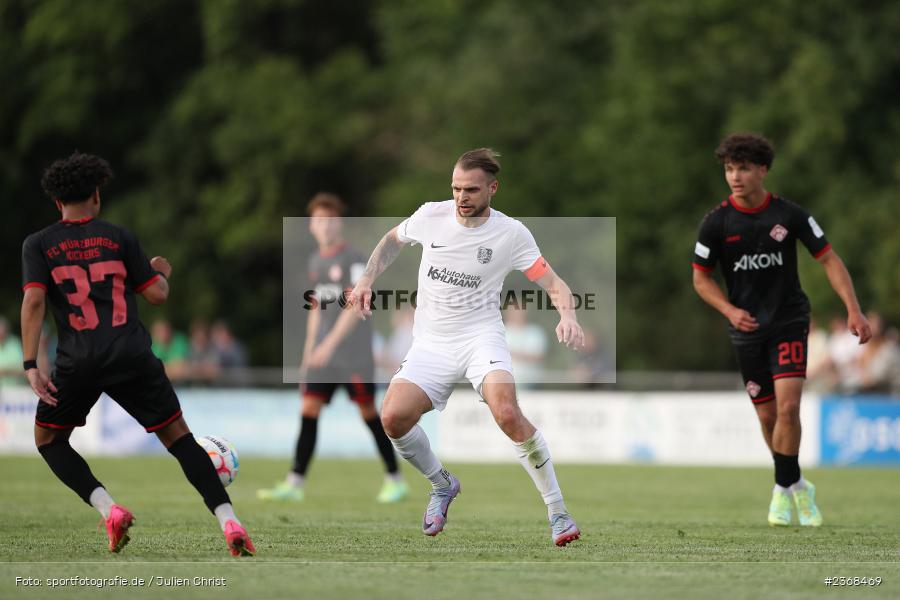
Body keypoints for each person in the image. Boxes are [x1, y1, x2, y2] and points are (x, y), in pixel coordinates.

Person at [20, 152, 254, 556]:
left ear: (57, 202)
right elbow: (157, 295)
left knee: (48, 440)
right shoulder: (117, 237)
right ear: (96, 196)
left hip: (79, 360)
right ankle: (230, 521)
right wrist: (159, 270)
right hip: (131, 354)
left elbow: (34, 305)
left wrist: (29, 364)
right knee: (180, 440)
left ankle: (108, 509)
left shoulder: (38, 244)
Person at [348, 149, 583, 546]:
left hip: (480, 339)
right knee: (392, 419)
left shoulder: (512, 234)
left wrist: (569, 316)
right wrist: (367, 281)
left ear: (493, 188)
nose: (461, 197)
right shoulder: (430, 216)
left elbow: (554, 284)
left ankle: (558, 513)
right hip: (431, 345)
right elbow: (391, 241)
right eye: (456, 188)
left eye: (471, 189)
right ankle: (442, 485)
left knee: (507, 412)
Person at [692, 133, 871, 527]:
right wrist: (728, 309)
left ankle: (779, 491)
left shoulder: (790, 215)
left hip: (789, 322)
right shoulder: (717, 223)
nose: (735, 176)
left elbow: (829, 260)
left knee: (790, 407)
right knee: (768, 418)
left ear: (762, 170)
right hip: (747, 330)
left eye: (742, 168)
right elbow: (701, 279)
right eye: (728, 169)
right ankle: (798, 485)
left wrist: (853, 310)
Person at [258, 193, 407, 504]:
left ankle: (395, 479)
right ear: (311, 226)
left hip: (353, 354)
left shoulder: (353, 258)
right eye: (318, 221)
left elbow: (354, 308)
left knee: (369, 414)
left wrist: (328, 344)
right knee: (308, 410)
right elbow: (317, 309)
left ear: (339, 223)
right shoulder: (316, 262)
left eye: (329, 220)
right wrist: (309, 353)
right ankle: (294, 483)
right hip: (323, 355)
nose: (324, 226)